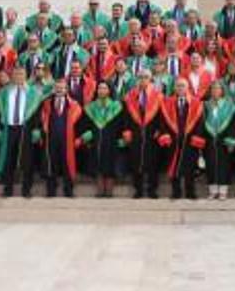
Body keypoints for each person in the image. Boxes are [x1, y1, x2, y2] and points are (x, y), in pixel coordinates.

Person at [0, 67, 44, 198]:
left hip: (25, 129)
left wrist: (37, 129)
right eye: (15, 74)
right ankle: (7, 189)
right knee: (8, 160)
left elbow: (37, 113)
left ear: (26, 75)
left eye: (21, 74)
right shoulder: (4, 92)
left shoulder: (33, 93)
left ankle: (26, 190)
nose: (18, 76)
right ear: (12, 76)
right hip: (9, 128)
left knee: (27, 161)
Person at [123, 70, 166, 199]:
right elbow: (126, 116)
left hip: (152, 133)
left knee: (152, 162)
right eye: (141, 77)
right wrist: (127, 130)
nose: (143, 80)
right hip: (135, 132)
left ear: (151, 79)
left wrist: (160, 130)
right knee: (136, 161)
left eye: (146, 77)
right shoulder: (130, 95)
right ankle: (138, 189)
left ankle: (152, 190)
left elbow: (162, 115)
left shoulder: (158, 95)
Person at [79, 81, 123, 198]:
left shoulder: (116, 106)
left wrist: (121, 137)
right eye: (99, 88)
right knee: (97, 164)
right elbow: (85, 124)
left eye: (104, 88)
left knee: (110, 164)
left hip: (111, 140)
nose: (102, 91)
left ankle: (108, 191)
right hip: (96, 140)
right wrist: (86, 134)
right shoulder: (91, 107)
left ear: (109, 91)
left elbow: (121, 124)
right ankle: (100, 190)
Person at [163, 78, 205, 200]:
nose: (180, 88)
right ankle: (175, 192)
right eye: (178, 86)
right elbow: (163, 121)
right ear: (174, 88)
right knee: (173, 166)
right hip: (173, 140)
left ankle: (190, 192)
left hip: (190, 139)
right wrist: (166, 134)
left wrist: (197, 136)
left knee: (190, 167)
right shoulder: (168, 102)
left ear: (187, 88)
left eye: (183, 86)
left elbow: (200, 122)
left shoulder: (196, 103)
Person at [40, 79, 83, 198]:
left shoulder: (74, 105)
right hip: (51, 138)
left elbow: (78, 124)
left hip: (67, 139)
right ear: (54, 89)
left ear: (66, 90)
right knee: (51, 164)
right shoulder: (47, 103)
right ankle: (51, 190)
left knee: (67, 165)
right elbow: (42, 121)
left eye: (62, 88)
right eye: (57, 87)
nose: (60, 90)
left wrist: (78, 138)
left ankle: (68, 190)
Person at [200, 82, 235, 201]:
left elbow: (233, 124)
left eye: (218, 88)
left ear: (222, 91)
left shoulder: (229, 106)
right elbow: (200, 123)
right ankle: (213, 191)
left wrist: (231, 139)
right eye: (213, 89)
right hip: (209, 138)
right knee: (210, 164)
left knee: (224, 165)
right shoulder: (204, 105)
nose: (215, 91)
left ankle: (223, 191)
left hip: (224, 139)